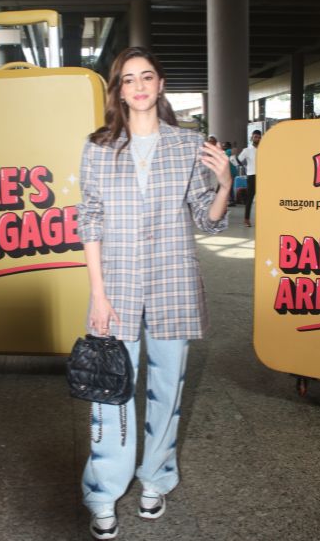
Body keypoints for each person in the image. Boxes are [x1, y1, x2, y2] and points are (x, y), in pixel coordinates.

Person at [76, 47, 232, 540]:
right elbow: (89, 219)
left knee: (168, 389)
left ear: (161, 84)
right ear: (119, 90)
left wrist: (224, 183)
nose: (139, 86)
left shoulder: (187, 145)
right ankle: (103, 490)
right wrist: (98, 295)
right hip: (116, 287)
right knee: (111, 390)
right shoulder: (98, 147)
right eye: (129, 79)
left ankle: (156, 478)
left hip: (172, 283)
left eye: (147, 77)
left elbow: (207, 218)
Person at [233, 129, 261, 227]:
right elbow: (237, 161)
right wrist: (234, 156)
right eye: (255, 137)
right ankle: (246, 219)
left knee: (264, 198)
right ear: (252, 138)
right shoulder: (247, 150)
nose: (257, 138)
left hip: (263, 177)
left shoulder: (264, 149)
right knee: (250, 198)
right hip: (252, 176)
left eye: (259, 137)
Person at [222, 141, 238, 206]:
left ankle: (231, 200)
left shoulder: (228, 151)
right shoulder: (229, 151)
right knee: (230, 186)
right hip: (232, 172)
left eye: (224, 146)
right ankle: (232, 200)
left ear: (227, 146)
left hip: (230, 172)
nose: (223, 147)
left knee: (229, 187)